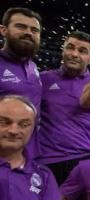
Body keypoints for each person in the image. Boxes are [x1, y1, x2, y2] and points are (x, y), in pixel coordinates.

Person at [38, 31, 90, 200]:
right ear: (62, 50)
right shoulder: (42, 80)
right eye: (70, 47)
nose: (74, 54)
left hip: (84, 162)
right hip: (48, 162)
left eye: (82, 50)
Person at [0, 7, 43, 157]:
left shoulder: (33, 67)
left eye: (34, 30)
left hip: (29, 157)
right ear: (3, 30)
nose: (28, 33)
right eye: (20, 26)